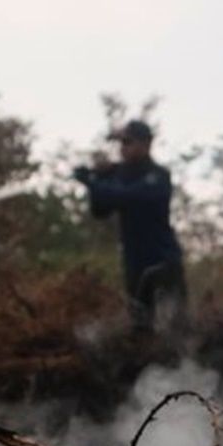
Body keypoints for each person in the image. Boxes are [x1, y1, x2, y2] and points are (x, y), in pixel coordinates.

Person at [73, 120, 187, 333]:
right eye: (120, 143)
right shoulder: (119, 174)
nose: (122, 148)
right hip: (135, 265)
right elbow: (100, 210)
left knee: (175, 327)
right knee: (141, 328)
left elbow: (127, 196)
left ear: (146, 144)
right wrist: (94, 178)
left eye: (128, 142)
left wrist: (93, 182)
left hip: (163, 263)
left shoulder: (158, 176)